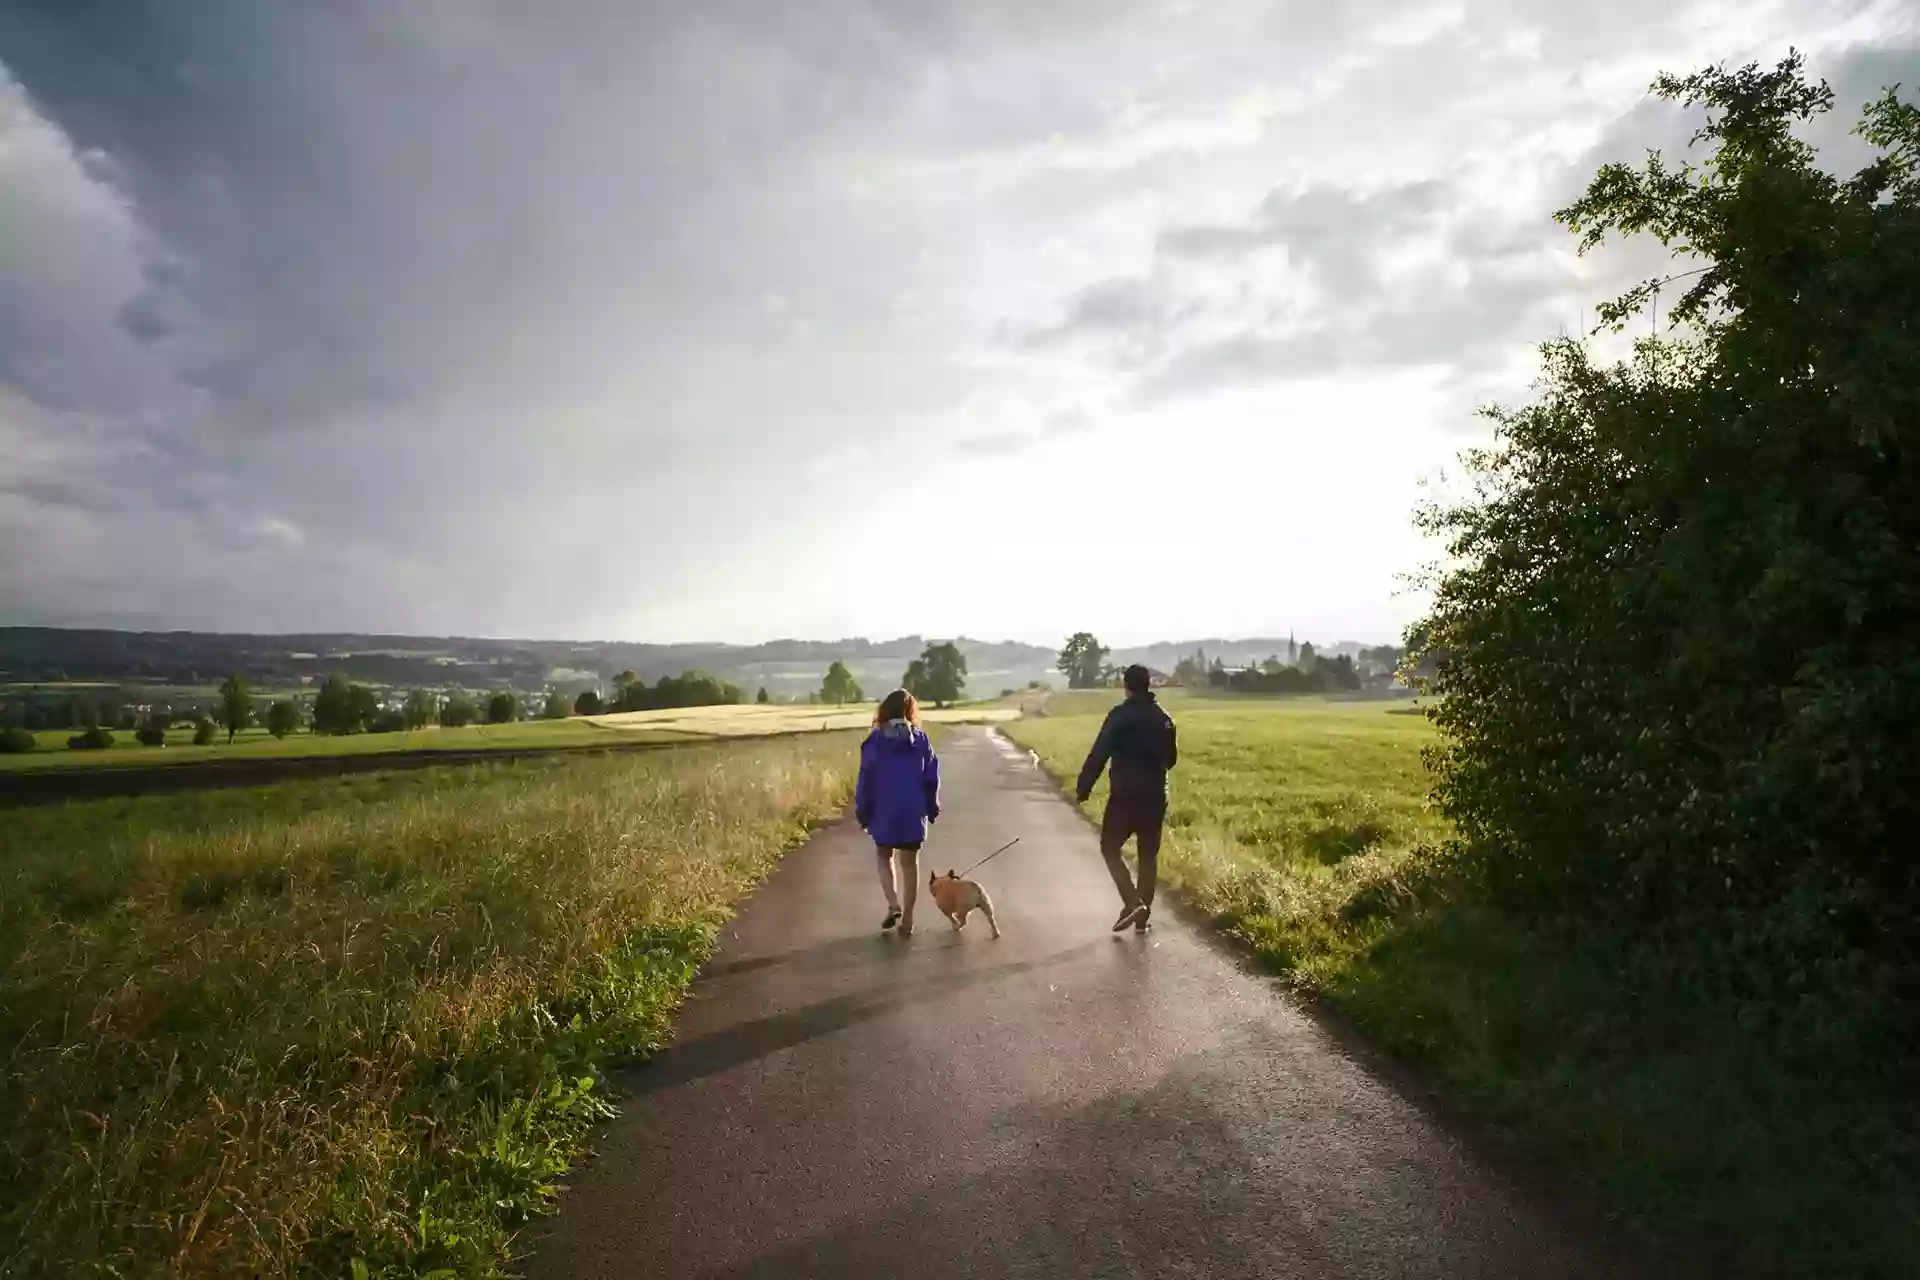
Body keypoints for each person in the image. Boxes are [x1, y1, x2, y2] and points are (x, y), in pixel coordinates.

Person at [1075, 664, 1178, 932]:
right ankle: (1142, 919)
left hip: (1125, 797)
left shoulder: (1119, 716)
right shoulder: (1165, 719)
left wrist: (1084, 786)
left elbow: (1099, 753)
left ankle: (1132, 902)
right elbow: (1171, 760)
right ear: (1149, 684)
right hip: (1155, 797)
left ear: (1126, 685)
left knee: (1110, 849)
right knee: (1148, 857)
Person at [855, 687, 942, 936]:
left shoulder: (874, 741)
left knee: (884, 856)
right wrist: (932, 806)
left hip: (884, 810)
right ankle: (909, 920)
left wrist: (863, 809)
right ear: (909, 710)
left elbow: (865, 780)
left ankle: (893, 904)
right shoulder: (921, 739)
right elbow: (931, 777)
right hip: (913, 810)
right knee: (910, 864)